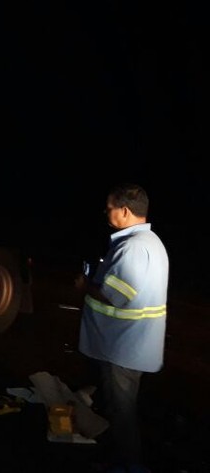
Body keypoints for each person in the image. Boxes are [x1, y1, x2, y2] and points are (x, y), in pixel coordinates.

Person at [76, 183, 169, 471]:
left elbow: (113, 295)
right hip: (128, 345)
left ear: (125, 211)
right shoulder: (148, 243)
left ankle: (129, 465)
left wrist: (85, 286)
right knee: (118, 408)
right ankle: (119, 460)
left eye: (109, 207)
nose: (106, 211)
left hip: (124, 347)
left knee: (122, 413)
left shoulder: (133, 248)